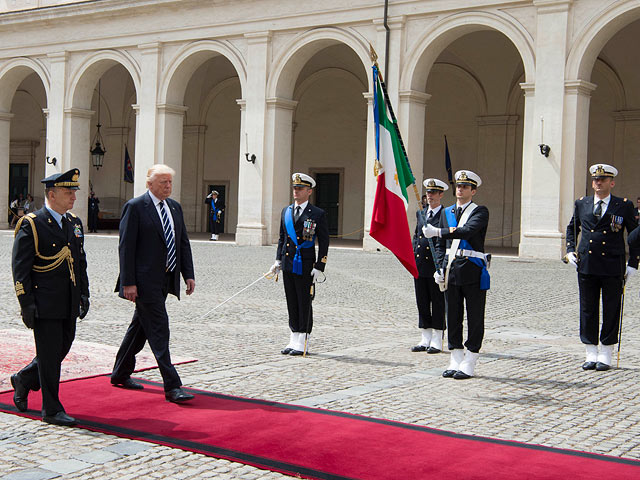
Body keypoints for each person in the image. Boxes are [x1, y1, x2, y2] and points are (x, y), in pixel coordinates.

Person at [10, 168, 90, 426]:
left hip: (68, 300)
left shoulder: (73, 223)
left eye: (74, 192)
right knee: (50, 354)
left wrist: (84, 294)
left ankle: (24, 379)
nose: (73, 197)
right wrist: (26, 304)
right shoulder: (32, 224)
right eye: (68, 192)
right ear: (52, 194)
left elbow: (80, 262)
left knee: (59, 349)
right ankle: (52, 410)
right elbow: (20, 269)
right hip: (44, 303)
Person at [111, 164, 196, 403]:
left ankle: (120, 372)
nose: (168, 186)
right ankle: (172, 385)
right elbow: (126, 247)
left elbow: (182, 243)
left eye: (170, 182)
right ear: (149, 184)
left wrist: (187, 274)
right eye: (163, 182)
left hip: (165, 278)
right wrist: (128, 282)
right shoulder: (136, 207)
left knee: (140, 328)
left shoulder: (174, 208)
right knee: (159, 329)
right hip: (143, 281)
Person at [564, 164, 639, 371]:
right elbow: (572, 227)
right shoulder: (582, 203)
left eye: (603, 180)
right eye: (596, 180)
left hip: (612, 265)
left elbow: (634, 237)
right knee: (588, 309)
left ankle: (606, 352)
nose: (598, 183)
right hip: (586, 264)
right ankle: (590, 351)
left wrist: (633, 263)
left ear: (611, 183)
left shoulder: (623, 205)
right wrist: (570, 249)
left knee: (611, 308)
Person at [423, 170, 489, 379]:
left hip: (473, 268)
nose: (460, 190)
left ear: (473, 190)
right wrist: (440, 267)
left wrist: (438, 231)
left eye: (465, 187)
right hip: (452, 268)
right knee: (452, 315)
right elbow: (442, 246)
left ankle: (471, 357)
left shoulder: (480, 211)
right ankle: (455, 355)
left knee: (475, 316)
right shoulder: (447, 212)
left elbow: (467, 231)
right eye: (458, 186)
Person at [269, 173, 329, 355]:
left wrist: (319, 266)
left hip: (305, 264)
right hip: (288, 262)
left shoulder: (317, 214)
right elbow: (282, 238)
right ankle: (293, 337)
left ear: (309, 191)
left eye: (300, 188)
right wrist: (278, 259)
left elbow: (324, 242)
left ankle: (303, 340)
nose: (296, 191)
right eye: (295, 188)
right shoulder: (286, 212)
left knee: (304, 301)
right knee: (291, 301)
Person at [411, 178, 447, 353]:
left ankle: (437, 338)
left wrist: (441, 266)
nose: (430, 196)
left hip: (435, 265)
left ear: (441, 194)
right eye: (428, 192)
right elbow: (416, 236)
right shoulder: (421, 213)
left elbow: (445, 241)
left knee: (438, 302)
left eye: (433, 193)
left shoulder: (446, 215)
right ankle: (425, 337)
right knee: (422, 301)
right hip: (420, 264)